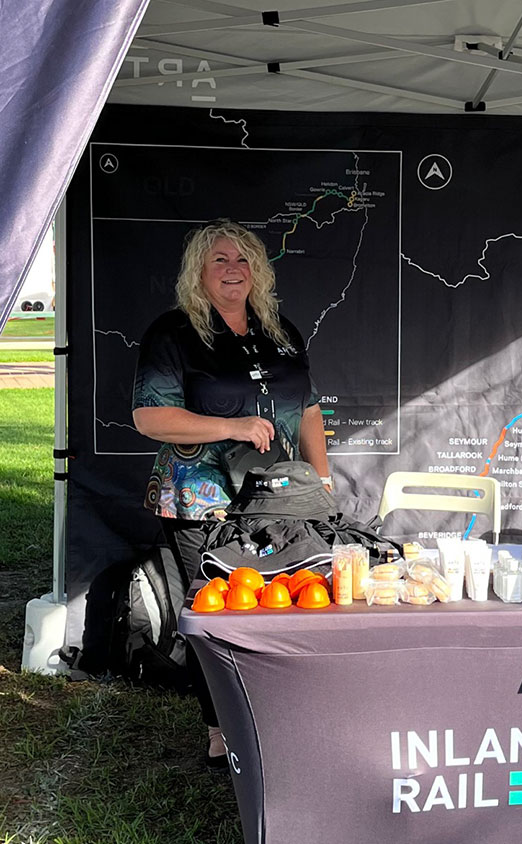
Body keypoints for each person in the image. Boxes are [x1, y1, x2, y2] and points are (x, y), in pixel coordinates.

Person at [132, 219, 329, 763]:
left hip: (279, 495)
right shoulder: (172, 333)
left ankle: (275, 710)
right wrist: (232, 426)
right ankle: (221, 728)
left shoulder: (280, 330)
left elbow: (308, 408)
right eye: (219, 259)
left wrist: (324, 480)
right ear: (198, 270)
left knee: (282, 598)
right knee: (216, 605)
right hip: (201, 497)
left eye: (243, 260)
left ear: (258, 271)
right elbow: (150, 418)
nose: (232, 270)